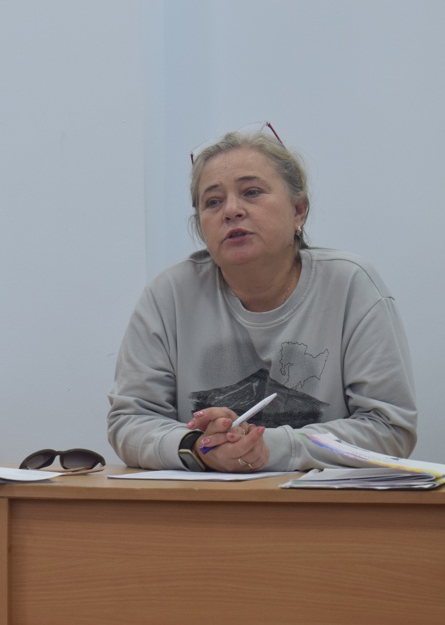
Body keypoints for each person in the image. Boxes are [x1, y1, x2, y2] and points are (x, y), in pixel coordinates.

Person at [107, 125, 417, 472]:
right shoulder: (169, 295)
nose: (231, 210)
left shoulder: (350, 286)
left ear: (298, 211)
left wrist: (268, 448)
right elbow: (129, 422)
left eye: (252, 192)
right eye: (213, 202)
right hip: (205, 503)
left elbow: (389, 429)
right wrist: (197, 447)